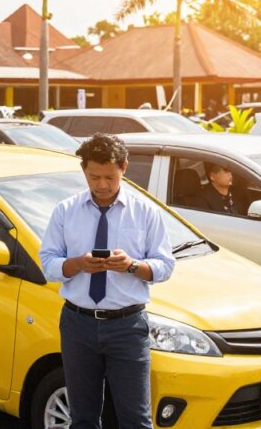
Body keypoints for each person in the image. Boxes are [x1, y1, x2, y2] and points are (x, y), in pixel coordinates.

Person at [39, 133, 175, 429]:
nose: (102, 185)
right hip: (78, 324)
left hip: (127, 327)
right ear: (83, 171)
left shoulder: (146, 212)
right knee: (83, 418)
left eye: (109, 177)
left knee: (135, 421)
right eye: (94, 177)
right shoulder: (65, 211)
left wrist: (132, 266)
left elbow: (165, 266)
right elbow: (48, 264)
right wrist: (77, 264)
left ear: (124, 167)